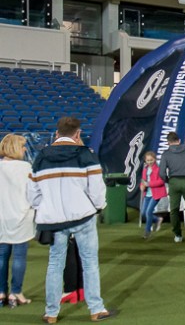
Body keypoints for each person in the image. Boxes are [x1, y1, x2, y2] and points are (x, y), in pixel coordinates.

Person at [28, 117, 116, 322]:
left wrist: (47, 208)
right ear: (78, 134)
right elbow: (97, 190)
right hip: (82, 217)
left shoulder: (41, 157)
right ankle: (96, 309)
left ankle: (51, 313)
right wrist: (97, 207)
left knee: (55, 264)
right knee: (90, 263)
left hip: (53, 220)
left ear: (57, 134)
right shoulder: (86, 155)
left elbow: (32, 195)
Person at [0, 134, 34, 308]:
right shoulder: (26, 167)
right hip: (22, 216)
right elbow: (33, 193)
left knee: (2, 256)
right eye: (22, 146)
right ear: (14, 148)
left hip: (2, 217)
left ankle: (1, 292)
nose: (25, 149)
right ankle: (15, 293)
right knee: (19, 256)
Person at [139, 151, 165, 239]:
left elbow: (161, 181)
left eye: (151, 160)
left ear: (155, 159)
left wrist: (149, 184)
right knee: (143, 213)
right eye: (148, 160)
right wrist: (142, 186)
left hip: (156, 193)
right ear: (145, 161)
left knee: (148, 212)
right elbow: (143, 180)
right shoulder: (145, 169)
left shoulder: (158, 169)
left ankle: (147, 231)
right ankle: (157, 219)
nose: (149, 162)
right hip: (147, 194)